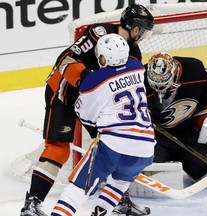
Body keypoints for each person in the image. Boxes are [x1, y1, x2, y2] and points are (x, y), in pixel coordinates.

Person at [20, 4, 154, 216]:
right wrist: (86, 78)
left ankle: (119, 199)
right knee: (58, 148)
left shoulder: (134, 50)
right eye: (141, 29)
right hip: (66, 93)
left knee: (113, 146)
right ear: (132, 26)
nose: (143, 35)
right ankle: (32, 205)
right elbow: (64, 60)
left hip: (96, 98)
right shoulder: (99, 32)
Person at [50, 33, 155, 216]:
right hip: (146, 147)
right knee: (119, 184)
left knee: (77, 191)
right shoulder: (137, 67)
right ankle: (101, 212)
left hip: (114, 145)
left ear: (103, 57)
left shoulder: (94, 80)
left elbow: (86, 117)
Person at [144, 52, 207, 192]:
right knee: (149, 177)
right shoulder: (139, 80)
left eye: (163, 86)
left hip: (186, 133)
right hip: (155, 137)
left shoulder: (195, 72)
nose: (160, 91)